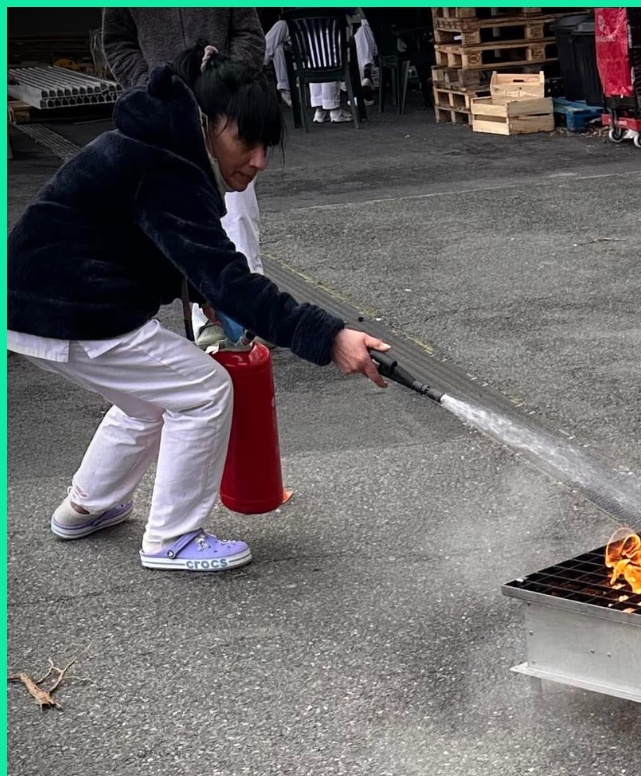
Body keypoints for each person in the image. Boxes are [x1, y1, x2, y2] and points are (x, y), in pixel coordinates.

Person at [7, 43, 390, 573]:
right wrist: (327, 336)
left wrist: (205, 288)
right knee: (206, 390)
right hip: (72, 309)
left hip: (36, 305)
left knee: (150, 397)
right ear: (209, 124)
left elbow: (176, 254)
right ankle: (173, 538)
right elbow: (230, 278)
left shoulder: (158, 145)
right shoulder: (169, 168)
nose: (257, 160)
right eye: (247, 141)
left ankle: (85, 507)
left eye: (266, 147)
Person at [102, 8, 268, 344]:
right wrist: (152, 83)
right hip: (165, 115)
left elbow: (250, 34)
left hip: (224, 112)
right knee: (179, 218)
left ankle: (255, 310)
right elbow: (118, 41)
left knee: (239, 214)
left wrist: (224, 77)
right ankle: (203, 318)